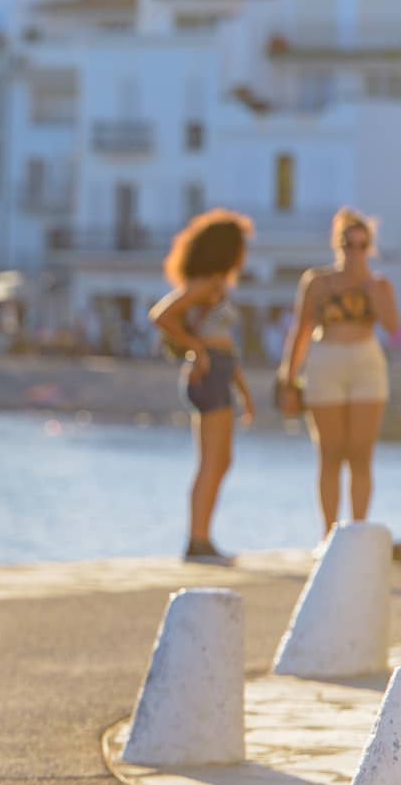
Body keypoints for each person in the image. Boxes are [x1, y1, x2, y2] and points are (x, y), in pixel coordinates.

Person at [277, 208, 398, 536]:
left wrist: (370, 286)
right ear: (338, 244)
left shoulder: (379, 284)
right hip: (326, 360)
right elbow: (301, 330)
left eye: (362, 245)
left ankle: (356, 533)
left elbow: (392, 328)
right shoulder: (316, 282)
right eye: (349, 243)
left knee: (361, 454)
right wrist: (289, 378)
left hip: (366, 362)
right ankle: (328, 534)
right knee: (330, 453)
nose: (354, 251)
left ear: (370, 247)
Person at [148, 211, 255, 564]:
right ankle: (198, 541)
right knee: (212, 461)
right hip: (208, 375)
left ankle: (203, 538)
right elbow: (160, 315)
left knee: (221, 460)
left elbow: (227, 343)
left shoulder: (218, 286)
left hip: (221, 372)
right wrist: (196, 348)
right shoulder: (204, 284)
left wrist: (245, 391)